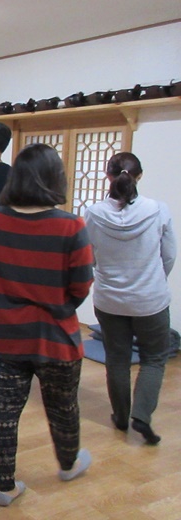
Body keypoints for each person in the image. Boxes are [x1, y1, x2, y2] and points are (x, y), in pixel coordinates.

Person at [0, 143, 94, 507]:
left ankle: (6, 487)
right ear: (54, 178)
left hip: (4, 335)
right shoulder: (71, 225)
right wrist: (58, 305)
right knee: (64, 408)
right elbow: (81, 285)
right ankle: (68, 464)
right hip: (55, 337)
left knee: (4, 413)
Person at [84, 152, 176, 445]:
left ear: (108, 176)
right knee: (154, 358)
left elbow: (90, 257)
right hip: (151, 300)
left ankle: (121, 416)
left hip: (109, 300)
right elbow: (169, 255)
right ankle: (142, 416)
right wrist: (154, 279)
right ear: (139, 176)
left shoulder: (93, 213)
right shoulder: (158, 210)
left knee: (117, 358)